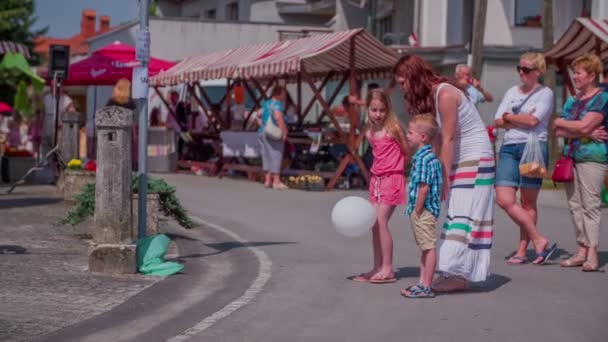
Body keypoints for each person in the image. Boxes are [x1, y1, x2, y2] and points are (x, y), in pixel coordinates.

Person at [393, 55, 495, 292]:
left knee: (464, 211)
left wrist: (442, 179)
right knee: (457, 212)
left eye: (402, 82)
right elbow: (438, 140)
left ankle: (457, 273)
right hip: (460, 154)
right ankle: (455, 272)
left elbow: (447, 139)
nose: (402, 88)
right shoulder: (433, 95)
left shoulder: (446, 94)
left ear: (414, 77)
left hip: (475, 155)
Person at [494, 52, 557, 265]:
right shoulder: (512, 91)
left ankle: (523, 250)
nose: (521, 72)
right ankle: (539, 239)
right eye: (519, 69)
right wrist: (514, 119)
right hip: (510, 147)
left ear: (538, 72)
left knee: (528, 202)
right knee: (503, 199)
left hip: (533, 147)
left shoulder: (546, 93)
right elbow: (497, 120)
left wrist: (509, 117)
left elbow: (532, 121)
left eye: (526, 69)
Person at [553, 53, 608, 272]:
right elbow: (558, 129)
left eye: (578, 73)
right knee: (575, 205)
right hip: (571, 156)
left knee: (590, 205)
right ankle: (581, 250)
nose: (574, 76)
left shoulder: (602, 98)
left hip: (592, 157)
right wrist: (581, 130)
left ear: (591, 75)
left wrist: (568, 125)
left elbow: (583, 126)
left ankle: (592, 254)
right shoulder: (572, 100)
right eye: (574, 72)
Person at [352, 89, 409, 284]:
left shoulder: (393, 128)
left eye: (382, 110)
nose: (378, 114)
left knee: (380, 221)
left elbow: (406, 150)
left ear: (388, 110)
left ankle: (388, 268)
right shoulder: (369, 131)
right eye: (374, 110)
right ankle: (377, 267)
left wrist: (398, 170)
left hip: (392, 179)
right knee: (372, 224)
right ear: (367, 109)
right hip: (376, 181)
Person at [400, 113, 442, 298]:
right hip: (426, 209)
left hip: (423, 210)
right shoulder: (428, 157)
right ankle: (422, 282)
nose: (408, 136)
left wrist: (417, 209)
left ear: (422, 137)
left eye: (410, 133)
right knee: (425, 248)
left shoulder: (423, 159)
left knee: (428, 247)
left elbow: (423, 187)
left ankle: (426, 285)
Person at [257, 86, 289, 189]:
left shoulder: (266, 103)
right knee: (276, 154)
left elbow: (257, 114)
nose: (285, 96)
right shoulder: (277, 104)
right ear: (279, 94)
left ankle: (267, 180)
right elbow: (278, 117)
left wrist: (261, 124)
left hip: (262, 132)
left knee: (266, 155)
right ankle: (276, 181)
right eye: (284, 94)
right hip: (273, 133)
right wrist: (284, 132)